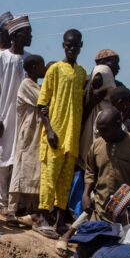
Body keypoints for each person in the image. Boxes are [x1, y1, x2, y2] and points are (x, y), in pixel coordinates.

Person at [37, 29, 87, 236]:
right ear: (63, 45)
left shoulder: (82, 72)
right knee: (49, 176)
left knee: (65, 179)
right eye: (68, 45)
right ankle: (41, 218)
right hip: (56, 132)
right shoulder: (55, 69)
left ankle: (59, 221)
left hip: (72, 135)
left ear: (80, 46)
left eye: (75, 45)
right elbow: (42, 103)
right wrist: (48, 129)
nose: (72, 48)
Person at [0, 15, 31, 212]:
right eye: (26, 33)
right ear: (15, 36)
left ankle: (17, 204)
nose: (30, 37)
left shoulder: (30, 60)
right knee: (2, 159)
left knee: (20, 160)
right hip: (3, 117)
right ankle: (1, 203)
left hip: (23, 119)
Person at [82, 107, 130, 219]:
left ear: (118, 124)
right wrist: (85, 195)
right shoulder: (97, 145)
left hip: (129, 213)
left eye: (104, 130)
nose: (101, 134)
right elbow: (90, 172)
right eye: (99, 130)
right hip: (101, 211)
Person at [9, 54, 46, 225]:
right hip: (28, 134)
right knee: (22, 167)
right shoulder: (27, 85)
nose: (44, 69)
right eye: (41, 66)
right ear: (32, 68)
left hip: (37, 133)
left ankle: (30, 210)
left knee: (34, 169)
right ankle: (12, 210)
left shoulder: (35, 85)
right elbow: (44, 101)